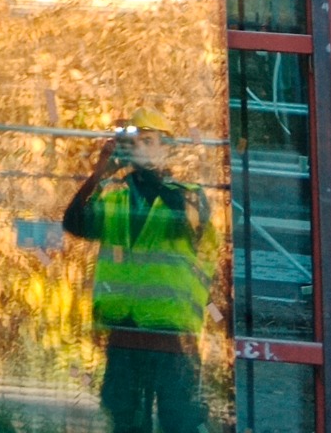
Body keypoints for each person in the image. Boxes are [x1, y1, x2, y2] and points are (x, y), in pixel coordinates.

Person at [64, 110, 218, 433]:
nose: (140, 148)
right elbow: (73, 223)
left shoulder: (190, 194)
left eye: (148, 141)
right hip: (125, 336)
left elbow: (184, 221)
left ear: (167, 148)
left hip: (173, 339)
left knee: (180, 421)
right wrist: (100, 171)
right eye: (134, 142)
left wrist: (149, 173)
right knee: (125, 422)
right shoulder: (117, 196)